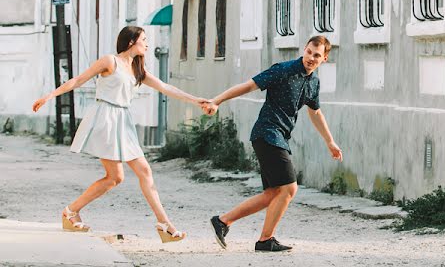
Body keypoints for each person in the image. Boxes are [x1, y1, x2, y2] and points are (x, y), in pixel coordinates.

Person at [32, 25, 207, 243]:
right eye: (144, 39)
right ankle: (71, 212)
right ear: (131, 41)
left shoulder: (137, 69)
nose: (147, 43)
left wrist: (197, 100)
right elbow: (79, 80)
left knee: (133, 173)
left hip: (123, 121)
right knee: (117, 177)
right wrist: (50, 96)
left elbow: (165, 87)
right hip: (105, 118)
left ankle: (163, 225)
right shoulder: (109, 61)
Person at [202, 35, 342, 252]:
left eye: (317, 55)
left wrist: (330, 141)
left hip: (278, 137)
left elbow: (315, 112)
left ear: (324, 58)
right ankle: (265, 239)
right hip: (267, 133)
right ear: (304, 50)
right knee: (289, 188)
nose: (311, 58)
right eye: (309, 52)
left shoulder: (313, 82)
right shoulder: (283, 70)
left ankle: (223, 221)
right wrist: (217, 100)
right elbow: (248, 86)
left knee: (273, 194)